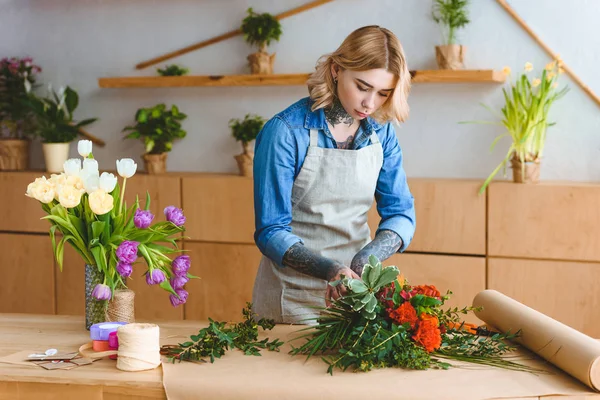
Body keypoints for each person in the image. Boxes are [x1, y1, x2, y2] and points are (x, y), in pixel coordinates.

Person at [251, 25, 416, 324]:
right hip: (293, 296)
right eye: (363, 87)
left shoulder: (381, 132)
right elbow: (270, 231)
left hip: (356, 293)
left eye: (383, 93)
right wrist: (330, 270)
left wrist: (366, 260)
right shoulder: (286, 132)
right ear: (337, 69)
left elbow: (401, 214)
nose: (370, 103)